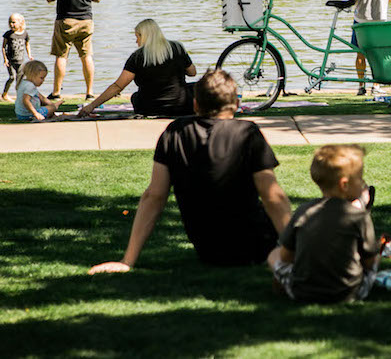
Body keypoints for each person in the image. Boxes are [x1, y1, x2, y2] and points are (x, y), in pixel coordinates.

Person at [88, 69, 293, 273]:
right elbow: (272, 197)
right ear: (237, 104)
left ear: (195, 103)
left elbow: (154, 196)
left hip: (207, 248)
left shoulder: (174, 133)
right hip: (256, 244)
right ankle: (288, 262)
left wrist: (127, 260)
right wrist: (295, 249)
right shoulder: (248, 133)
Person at [268, 144, 379, 303]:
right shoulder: (359, 216)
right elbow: (369, 261)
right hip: (349, 292)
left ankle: (281, 284)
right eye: (360, 178)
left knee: (274, 254)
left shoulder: (303, 211)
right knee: (377, 257)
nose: (363, 183)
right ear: (344, 184)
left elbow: (285, 256)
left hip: (301, 291)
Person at [78, 19, 197, 118]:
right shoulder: (177, 48)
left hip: (149, 108)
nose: (136, 41)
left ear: (143, 36)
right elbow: (192, 72)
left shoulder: (138, 57)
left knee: (135, 97)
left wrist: (92, 106)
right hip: (181, 106)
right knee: (193, 87)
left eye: (137, 37)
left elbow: (118, 86)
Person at [45, 0, 101, 101]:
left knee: (61, 56)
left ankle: (56, 92)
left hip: (65, 20)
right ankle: (90, 92)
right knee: (87, 56)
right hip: (86, 20)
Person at [3, 13, 32, 101]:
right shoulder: (8, 34)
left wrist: (29, 55)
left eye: (13, 22)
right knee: (12, 77)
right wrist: (5, 59)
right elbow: (3, 47)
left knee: (20, 78)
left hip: (20, 61)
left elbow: (27, 44)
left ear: (21, 23)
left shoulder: (25, 34)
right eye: (10, 22)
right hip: (10, 61)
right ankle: (4, 94)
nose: (11, 24)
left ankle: (19, 95)